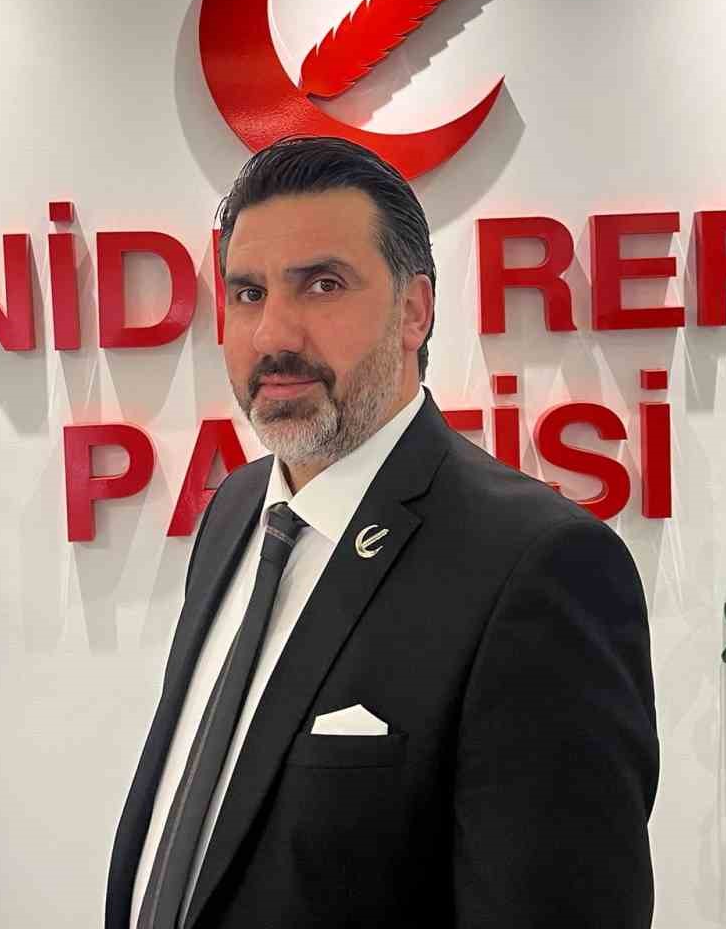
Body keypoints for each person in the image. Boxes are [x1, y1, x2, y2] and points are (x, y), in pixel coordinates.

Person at [106, 135, 658, 929]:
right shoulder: (236, 511)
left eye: (322, 285)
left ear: (414, 311)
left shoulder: (537, 567)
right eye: (249, 292)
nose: (273, 335)